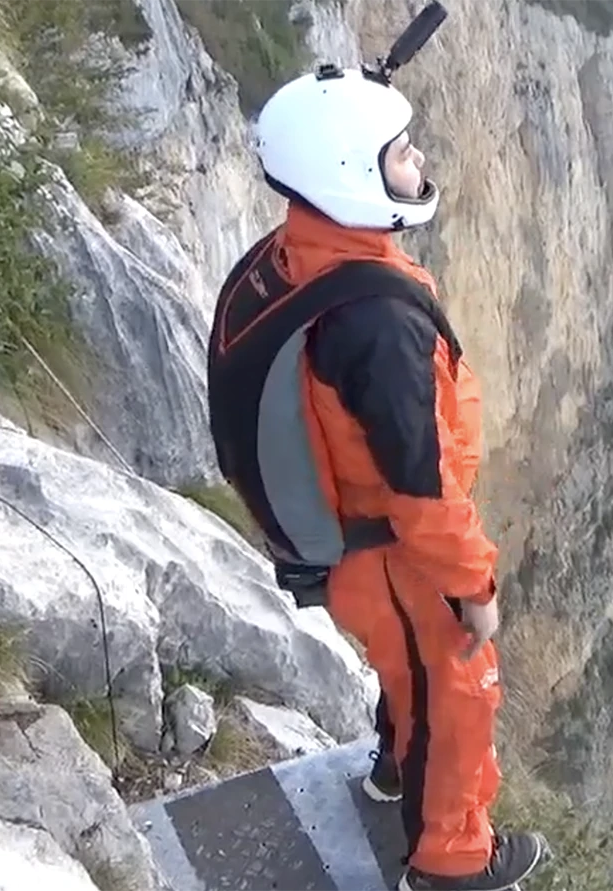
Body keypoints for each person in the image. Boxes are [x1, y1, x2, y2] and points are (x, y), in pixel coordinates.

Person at [203, 61, 549, 891]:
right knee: (459, 689)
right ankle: (452, 863)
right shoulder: (375, 323)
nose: (418, 159)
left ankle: (396, 773)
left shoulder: (307, 255)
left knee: (413, 672)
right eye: (398, 152)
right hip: (396, 547)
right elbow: (419, 484)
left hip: (365, 544)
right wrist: (474, 584)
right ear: (349, 174)